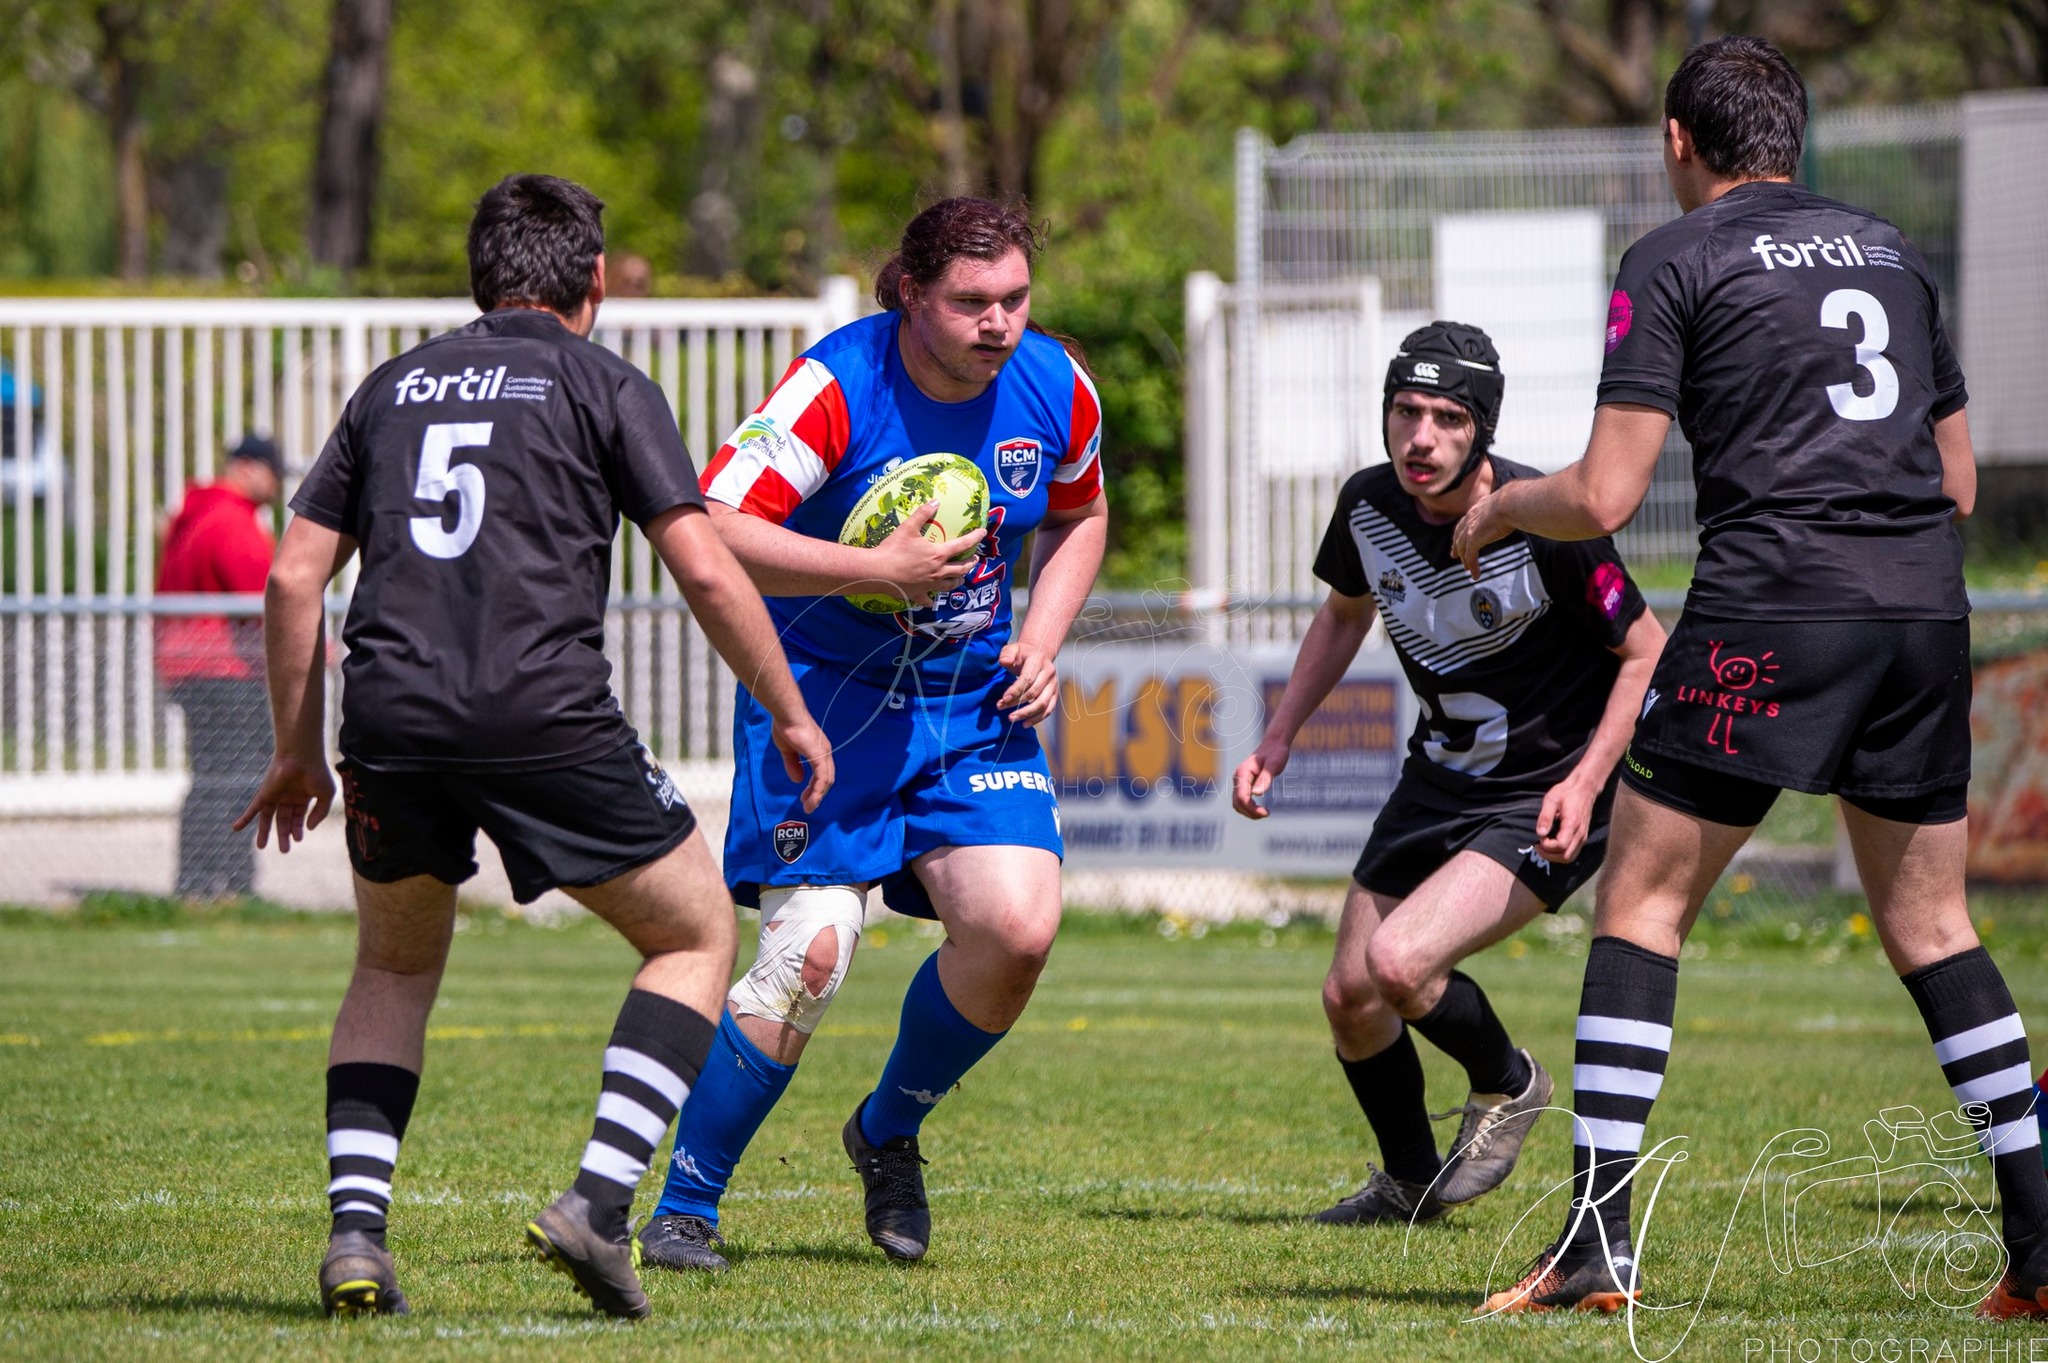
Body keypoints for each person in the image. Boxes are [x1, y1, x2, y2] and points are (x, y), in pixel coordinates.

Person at [1452, 36, 2048, 1319]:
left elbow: (1606, 492)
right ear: (1787, 136)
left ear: (1678, 138)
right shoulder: (1890, 249)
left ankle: (1595, 1248)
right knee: (1936, 930)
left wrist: (1503, 510)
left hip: (1770, 607)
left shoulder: (1674, 255)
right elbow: (1956, 486)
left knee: (1642, 904)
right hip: (1920, 613)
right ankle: (2041, 1250)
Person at [236, 173, 833, 1321]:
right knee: (698, 930)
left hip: (392, 719)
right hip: (541, 713)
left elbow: (291, 575)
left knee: (394, 965)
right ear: (594, 281)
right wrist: (792, 710)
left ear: (479, 276)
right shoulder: (604, 382)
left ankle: (356, 1239)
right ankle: (600, 1205)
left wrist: (297, 751)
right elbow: (704, 562)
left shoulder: (392, 386)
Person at [635, 195, 1108, 1272]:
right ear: (908, 291)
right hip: (825, 703)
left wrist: (1041, 634)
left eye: (1014, 299)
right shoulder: (837, 387)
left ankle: (885, 1131)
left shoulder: (1051, 383)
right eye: (970, 302)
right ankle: (684, 1208)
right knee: (811, 953)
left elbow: (1082, 513)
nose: (998, 323)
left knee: (1017, 930)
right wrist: (871, 572)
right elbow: (710, 525)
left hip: (966, 707)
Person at [1232, 322, 1664, 1228]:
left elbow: (1646, 655)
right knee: (1351, 996)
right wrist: (1278, 735)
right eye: (1404, 411)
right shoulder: (1366, 507)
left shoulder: (1547, 515)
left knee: (1399, 962)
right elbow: (1344, 615)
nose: (1418, 436)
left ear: (1482, 429)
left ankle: (1510, 1079)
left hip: (1545, 787)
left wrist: (1587, 784)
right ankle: (1408, 1186)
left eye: (1444, 417)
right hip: (1439, 777)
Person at [156, 433, 283, 898]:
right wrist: (307, 647)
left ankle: (202, 881)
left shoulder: (194, 514)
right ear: (249, 467)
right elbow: (265, 596)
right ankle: (225, 882)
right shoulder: (231, 520)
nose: (276, 486)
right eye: (273, 473)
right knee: (235, 776)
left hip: (192, 664)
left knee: (214, 775)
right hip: (225, 668)